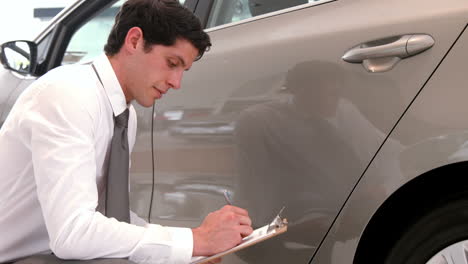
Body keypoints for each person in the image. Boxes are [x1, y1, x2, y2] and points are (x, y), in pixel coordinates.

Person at [0, 0, 252, 263]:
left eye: (183, 70)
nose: (176, 83)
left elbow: (108, 219)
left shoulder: (123, 115)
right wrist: (194, 240)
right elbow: (73, 233)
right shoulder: (68, 96)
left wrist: (187, 252)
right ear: (133, 41)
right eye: (171, 63)